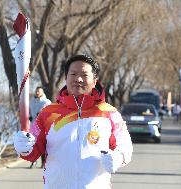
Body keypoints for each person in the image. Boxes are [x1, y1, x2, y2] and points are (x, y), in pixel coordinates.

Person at [14, 54, 133, 188]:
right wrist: (24, 147)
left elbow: (125, 147)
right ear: (66, 78)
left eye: (84, 75)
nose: (78, 79)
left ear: (94, 81)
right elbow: (33, 151)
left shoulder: (109, 113)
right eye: (73, 74)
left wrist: (117, 158)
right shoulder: (48, 113)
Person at [29, 86, 51, 168]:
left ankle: (43, 162)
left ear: (42, 92)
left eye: (39, 91)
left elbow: (50, 114)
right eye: (36, 91)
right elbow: (30, 111)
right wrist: (30, 116)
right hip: (34, 126)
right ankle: (33, 161)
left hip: (43, 126)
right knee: (33, 144)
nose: (37, 93)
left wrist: (42, 115)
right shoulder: (32, 101)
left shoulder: (46, 102)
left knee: (42, 144)